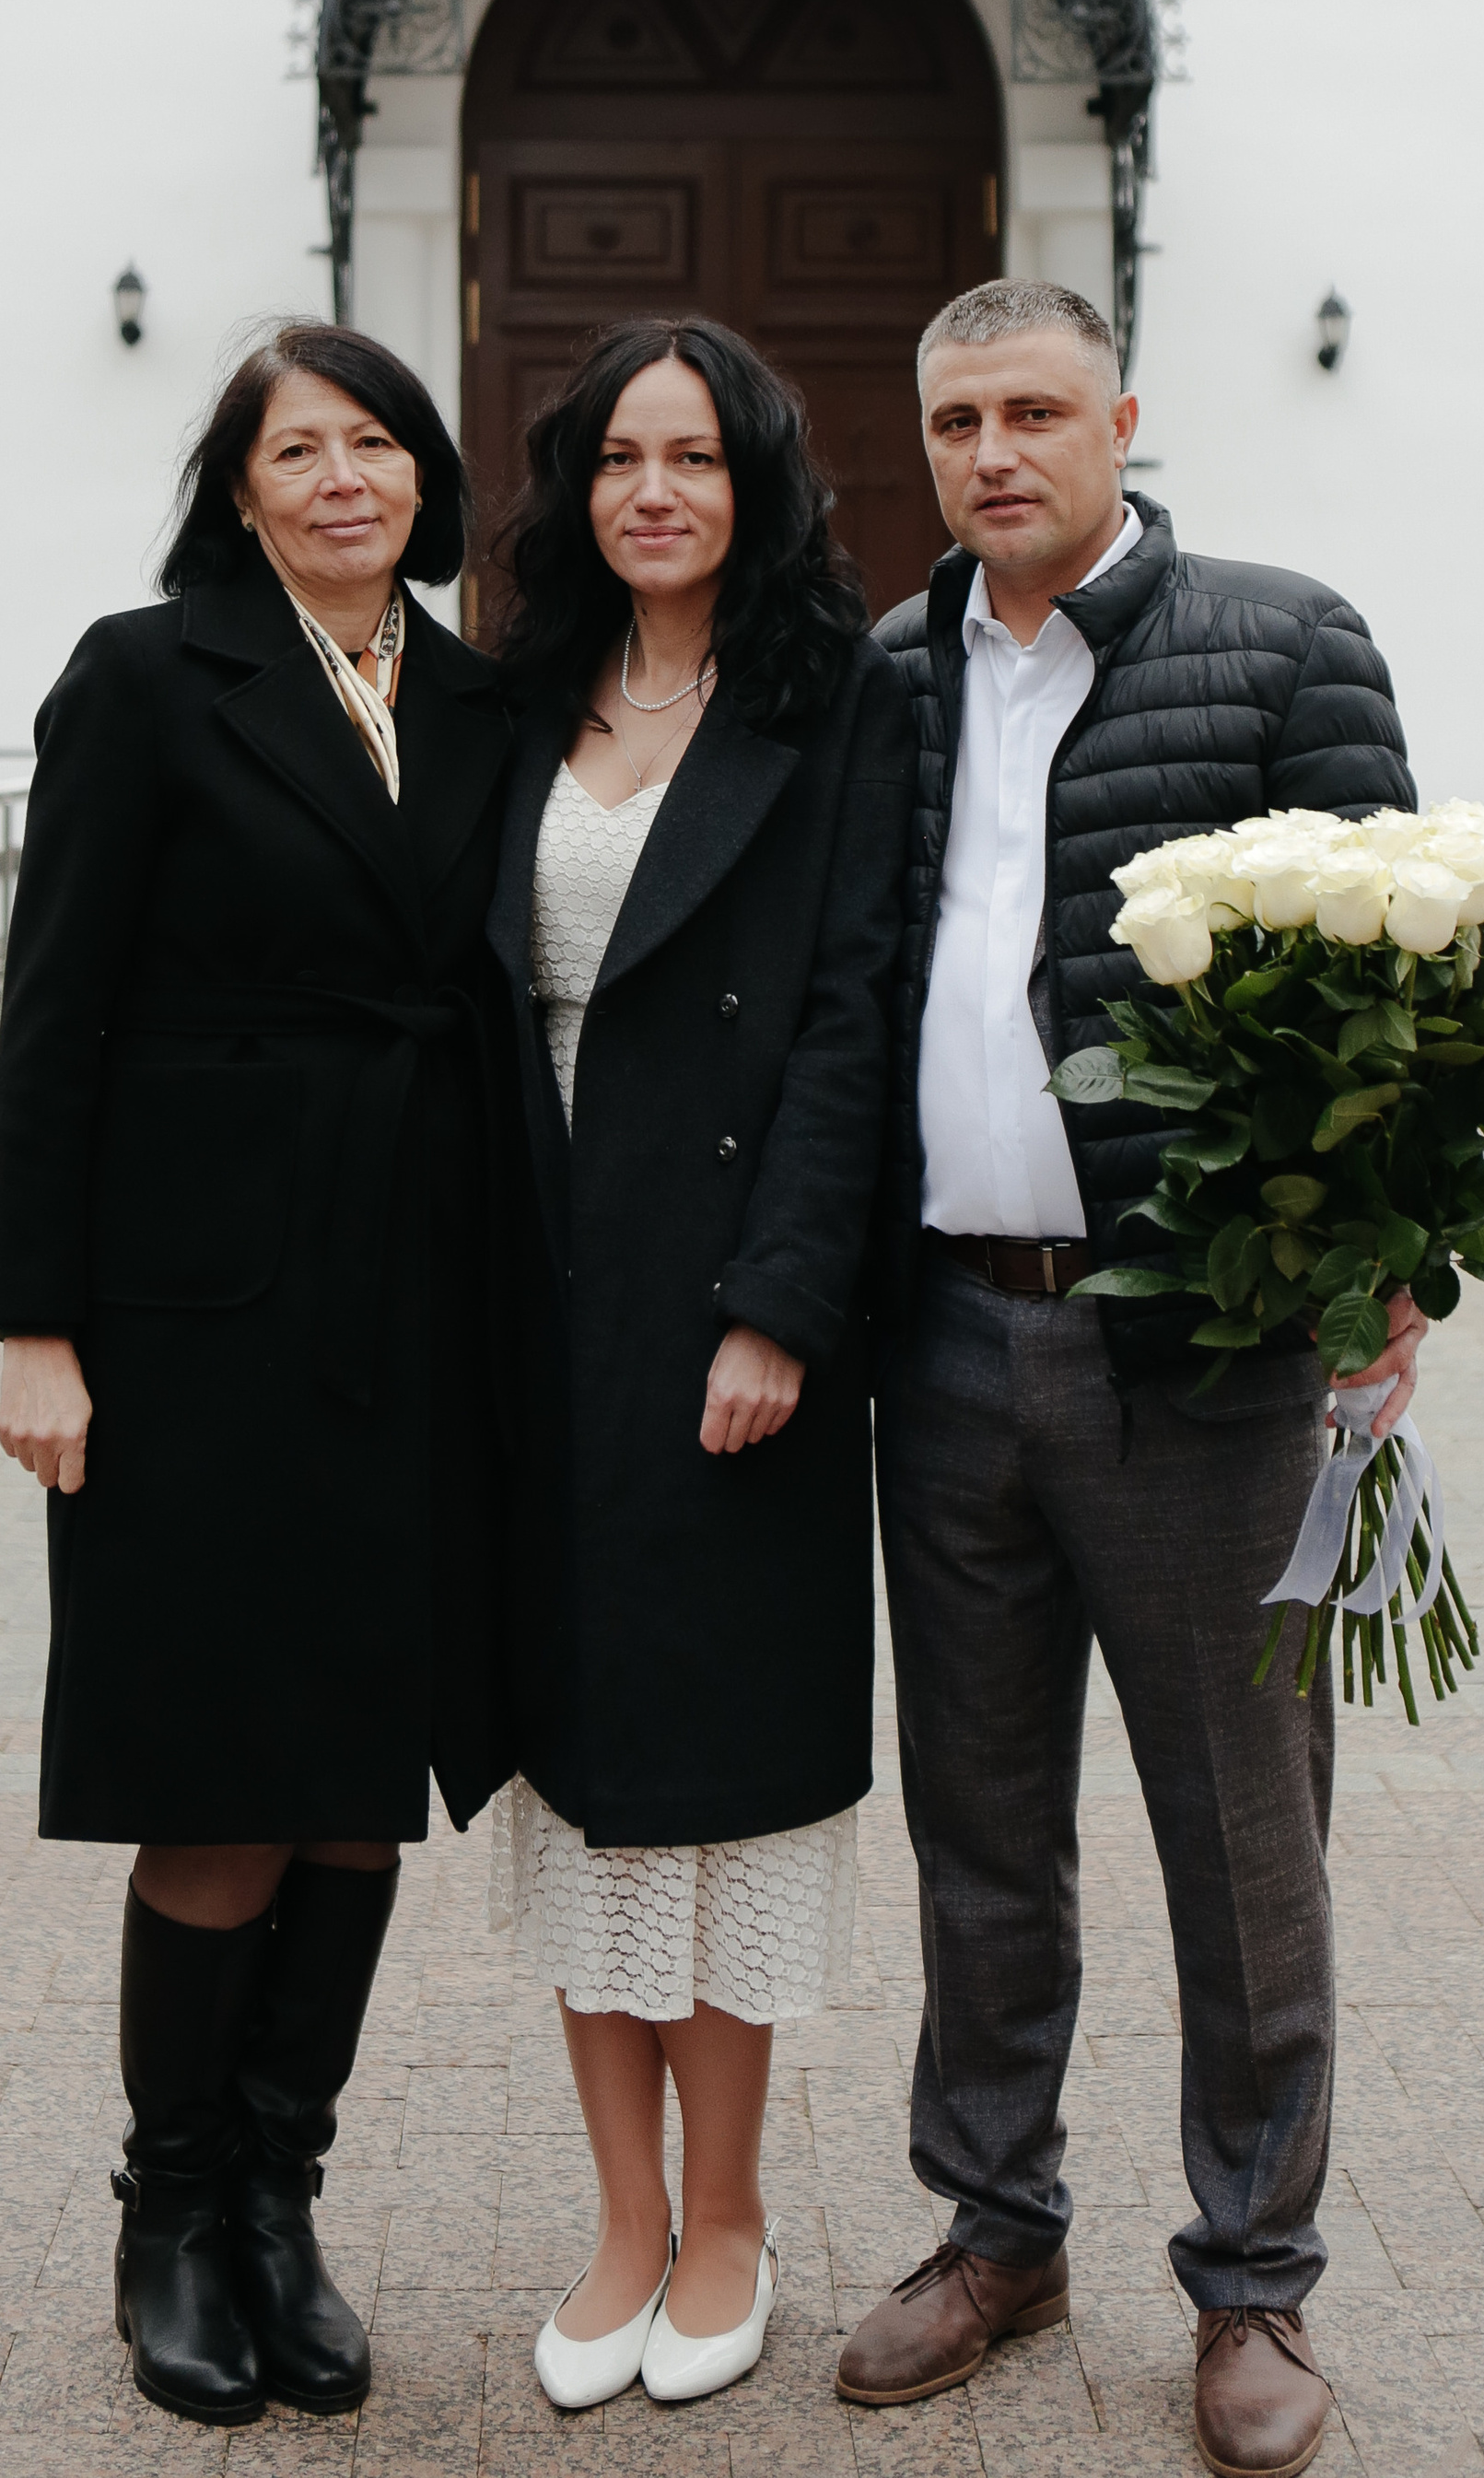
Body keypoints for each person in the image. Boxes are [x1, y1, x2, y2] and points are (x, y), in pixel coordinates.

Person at [839, 278, 1420, 2478]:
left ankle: (1253, 2288)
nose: (993, 453)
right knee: (980, 1825)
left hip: (1197, 1355)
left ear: (1121, 418)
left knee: (1240, 1839)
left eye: (1035, 412)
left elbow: (1396, 991)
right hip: (949, 1338)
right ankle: (994, 2230)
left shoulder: (1278, 643)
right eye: (957, 417)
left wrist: (1387, 1268)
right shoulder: (890, 677)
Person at [0, 322, 515, 2431]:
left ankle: (284, 2208)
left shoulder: (479, 696)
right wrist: (38, 1322)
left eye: (375, 445)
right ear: (236, 488)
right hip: (195, 1316)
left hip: (413, 1301)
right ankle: (169, 2218)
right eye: (297, 450)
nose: (342, 479)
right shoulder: (144, 679)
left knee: (356, 1798)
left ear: (423, 479)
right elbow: (56, 1011)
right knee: (216, 1783)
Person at [483, 315, 913, 2414]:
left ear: (754, 486)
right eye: (619, 457)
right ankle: (619, 2222)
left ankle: (727, 2213)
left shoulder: (827, 706)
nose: (654, 491)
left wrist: (779, 1305)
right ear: (577, 487)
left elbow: (848, 1024)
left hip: (728, 1307)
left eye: (696, 457)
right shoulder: (510, 706)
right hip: (533, 1305)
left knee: (716, 1783)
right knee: (574, 1778)